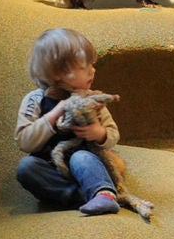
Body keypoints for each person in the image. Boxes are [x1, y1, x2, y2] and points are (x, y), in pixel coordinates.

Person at [13, 27, 123, 215]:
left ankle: (103, 193)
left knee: (80, 158)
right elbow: (24, 141)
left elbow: (113, 134)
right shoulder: (34, 100)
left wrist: (99, 133)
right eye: (84, 66)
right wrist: (53, 116)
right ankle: (84, 197)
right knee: (26, 168)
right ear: (57, 73)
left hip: (88, 164)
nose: (93, 71)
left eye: (92, 64)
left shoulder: (91, 99)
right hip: (51, 167)